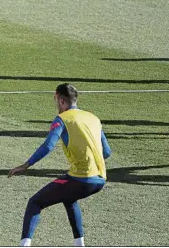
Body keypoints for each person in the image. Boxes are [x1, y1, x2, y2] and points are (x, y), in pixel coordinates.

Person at [8, 83, 112, 247]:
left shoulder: (62, 119)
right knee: (69, 199)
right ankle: (79, 244)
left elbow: (48, 146)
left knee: (35, 202)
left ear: (62, 101)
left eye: (56, 100)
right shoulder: (93, 117)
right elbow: (107, 152)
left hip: (81, 179)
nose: (56, 104)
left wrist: (25, 165)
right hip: (100, 179)